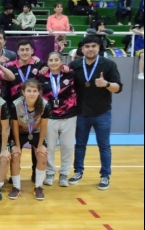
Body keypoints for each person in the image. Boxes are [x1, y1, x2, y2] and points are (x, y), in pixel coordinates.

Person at [68, 35, 123, 190]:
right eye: (87, 46)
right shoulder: (75, 65)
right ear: (82, 49)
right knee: (79, 145)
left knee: (104, 145)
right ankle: (78, 171)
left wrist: (106, 84)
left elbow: (118, 88)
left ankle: (105, 175)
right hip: (81, 112)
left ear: (98, 47)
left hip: (102, 112)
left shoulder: (108, 64)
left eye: (93, 46)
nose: (90, 49)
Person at [35, 52, 77, 187]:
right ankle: (50, 173)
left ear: (61, 61)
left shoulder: (69, 74)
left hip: (69, 116)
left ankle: (64, 174)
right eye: (50, 60)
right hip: (50, 116)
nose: (53, 62)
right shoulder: (42, 76)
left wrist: (66, 68)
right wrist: (41, 65)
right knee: (50, 147)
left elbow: (75, 73)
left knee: (67, 147)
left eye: (56, 60)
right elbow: (33, 74)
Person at [10, 79, 49, 200]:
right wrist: (17, 145)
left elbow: (43, 126)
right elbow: (14, 126)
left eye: (34, 91)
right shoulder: (15, 105)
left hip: (36, 132)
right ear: (23, 92)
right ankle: (16, 187)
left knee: (42, 155)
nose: (31, 94)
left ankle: (38, 187)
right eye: (29, 91)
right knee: (15, 155)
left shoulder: (45, 105)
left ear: (39, 92)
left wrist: (41, 144)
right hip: (20, 132)